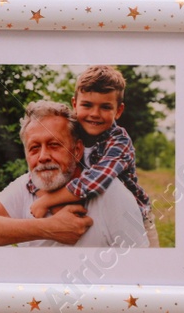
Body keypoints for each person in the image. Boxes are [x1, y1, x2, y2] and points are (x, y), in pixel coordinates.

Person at [0, 100, 147, 248]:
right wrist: (48, 227)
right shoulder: (26, 185)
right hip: (25, 294)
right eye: (34, 148)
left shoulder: (111, 194)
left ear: (76, 150)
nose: (43, 156)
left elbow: (141, 274)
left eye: (54, 145)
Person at [27, 65, 160, 248]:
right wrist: (37, 189)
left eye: (105, 107)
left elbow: (96, 180)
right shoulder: (72, 134)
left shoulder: (119, 142)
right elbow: (50, 163)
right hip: (94, 214)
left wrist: (49, 200)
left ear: (118, 110)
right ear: (75, 104)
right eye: (87, 105)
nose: (94, 114)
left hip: (134, 219)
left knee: (146, 267)